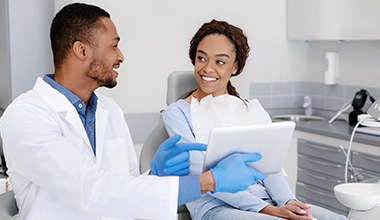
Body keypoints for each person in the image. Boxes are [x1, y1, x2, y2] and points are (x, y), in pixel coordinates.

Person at [0, 4, 265, 220]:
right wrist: (206, 182)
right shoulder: (25, 116)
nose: (121, 56)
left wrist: (154, 176)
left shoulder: (109, 111)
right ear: (81, 50)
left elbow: (125, 188)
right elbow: (90, 190)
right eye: (113, 45)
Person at [162, 19, 348, 220]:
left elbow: (270, 167)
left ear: (235, 67)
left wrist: (288, 202)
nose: (207, 68)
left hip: (267, 201)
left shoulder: (248, 110)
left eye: (220, 62)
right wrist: (268, 211)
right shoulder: (178, 113)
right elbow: (205, 178)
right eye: (201, 58)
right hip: (215, 207)